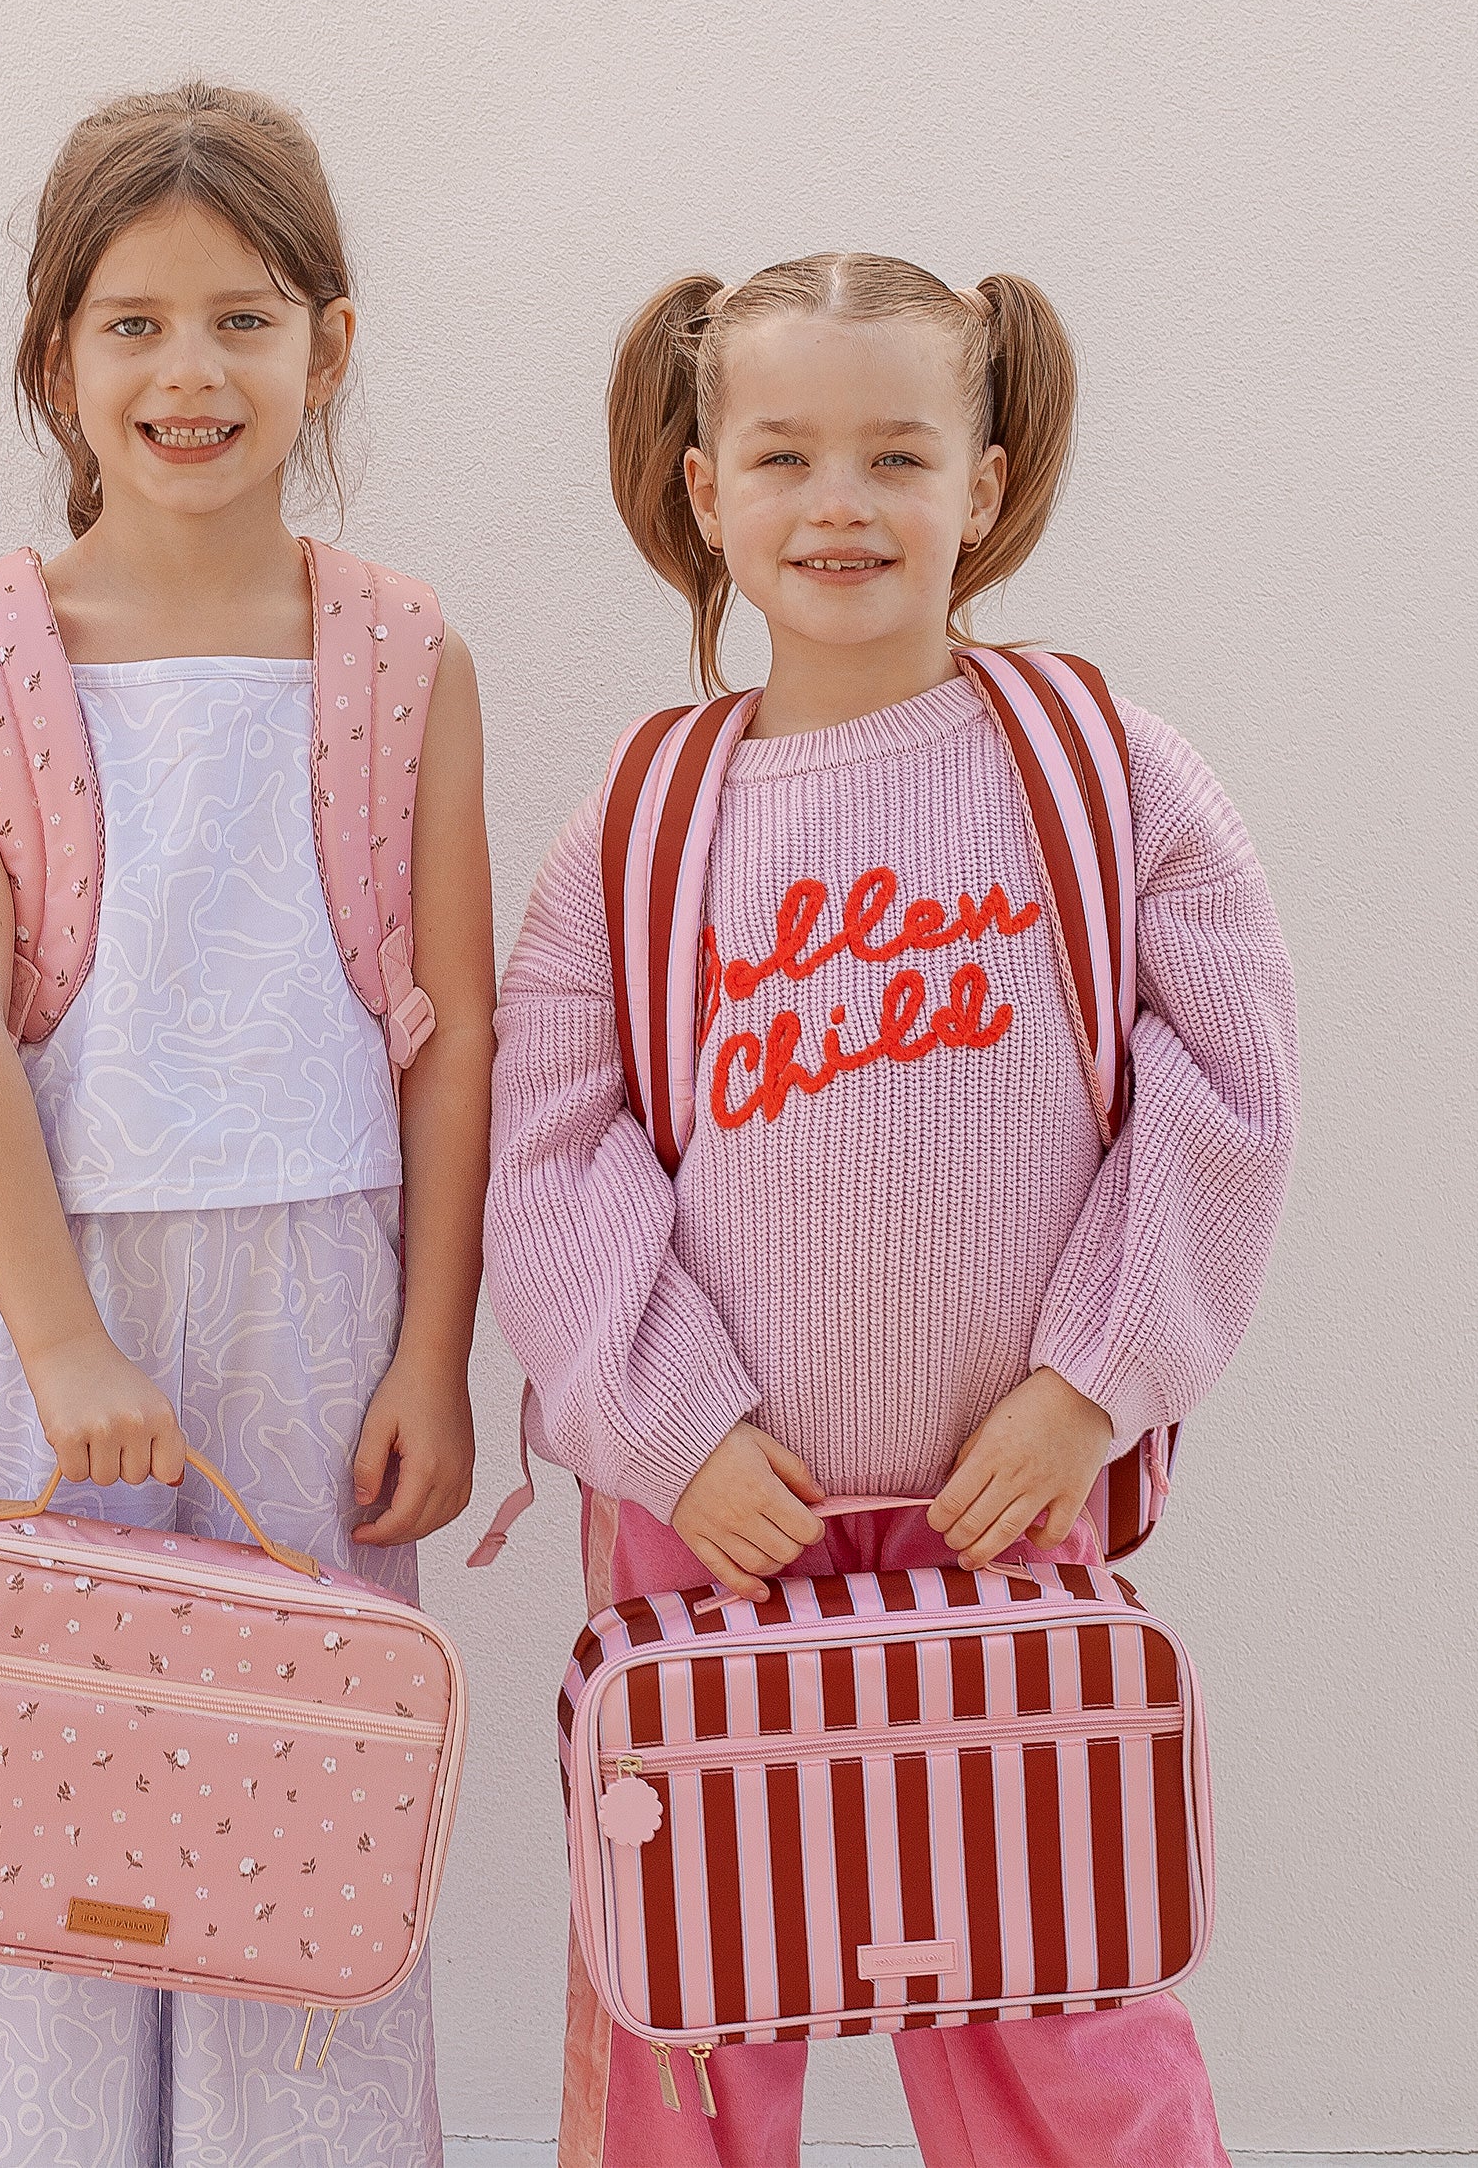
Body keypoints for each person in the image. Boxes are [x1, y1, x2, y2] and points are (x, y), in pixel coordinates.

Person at [485, 254, 1296, 2166]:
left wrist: (1097, 1376)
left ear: (985, 487)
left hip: (1003, 1516)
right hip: (716, 1537)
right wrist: (670, 1430)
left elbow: (1229, 1083)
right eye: (780, 455)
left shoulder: (1097, 770)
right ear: (704, 492)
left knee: (1058, 2004)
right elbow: (552, 1144)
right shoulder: (642, 814)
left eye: (894, 455)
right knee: (690, 2012)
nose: (835, 503)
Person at [0, 82, 494, 2167]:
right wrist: (54, 1340)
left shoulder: (399, 649)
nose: (186, 370)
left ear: (328, 340)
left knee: (300, 1817)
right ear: (55, 355)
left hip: (316, 1290)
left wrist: (427, 1347)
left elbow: (449, 1024)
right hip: (53, 1292)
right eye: (130, 322)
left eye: (239, 317)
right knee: (25, 1830)